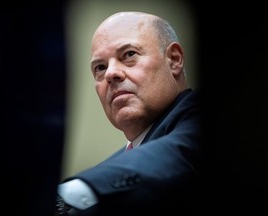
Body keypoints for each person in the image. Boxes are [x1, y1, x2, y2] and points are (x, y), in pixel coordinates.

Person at [54, 11, 202, 216]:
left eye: (129, 54)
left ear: (174, 59)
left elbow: (181, 151)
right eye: (100, 67)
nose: (110, 74)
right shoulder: (113, 170)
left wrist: (72, 194)